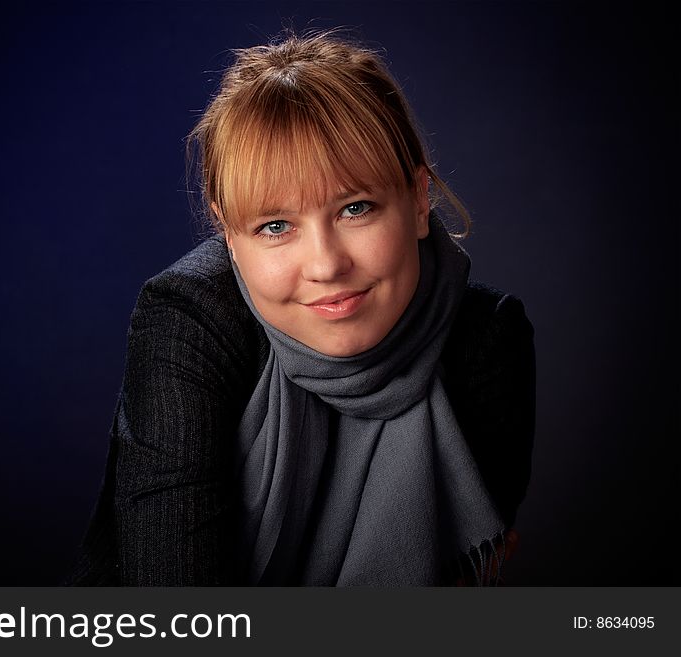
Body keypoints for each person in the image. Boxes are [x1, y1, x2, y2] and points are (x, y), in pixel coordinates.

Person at [68, 30, 535, 586]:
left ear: (416, 201)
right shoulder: (188, 322)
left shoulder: (487, 341)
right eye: (275, 226)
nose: (325, 265)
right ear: (229, 236)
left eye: (355, 208)